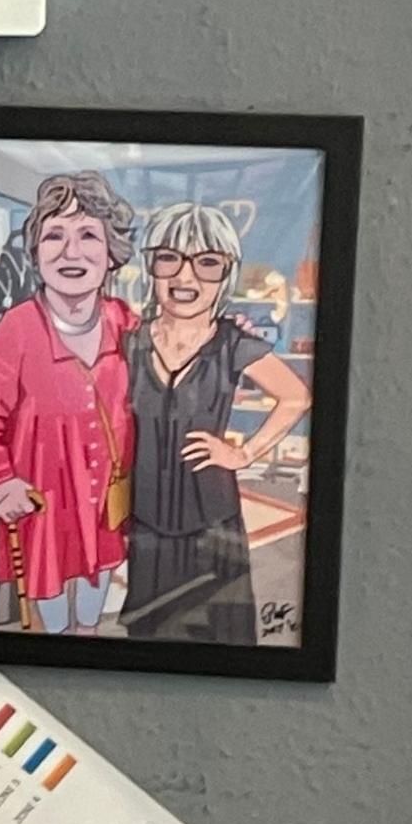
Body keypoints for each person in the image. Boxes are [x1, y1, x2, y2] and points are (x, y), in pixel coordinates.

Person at [120, 201, 311, 647]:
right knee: (146, 639)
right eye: (169, 258)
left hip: (214, 524)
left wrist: (243, 453)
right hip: (146, 526)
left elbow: (296, 396)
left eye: (207, 263)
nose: (185, 278)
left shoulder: (233, 343)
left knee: (224, 640)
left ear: (226, 273)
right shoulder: (129, 341)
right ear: (151, 267)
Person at [0, 171, 136, 635]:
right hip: (44, 494)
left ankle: (90, 630)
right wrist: (1, 484)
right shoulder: (18, 328)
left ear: (111, 252)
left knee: (98, 570)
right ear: (36, 252)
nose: (71, 251)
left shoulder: (127, 323)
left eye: (87, 235)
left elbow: (175, 353)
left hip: (105, 491)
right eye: (54, 235)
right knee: (51, 588)